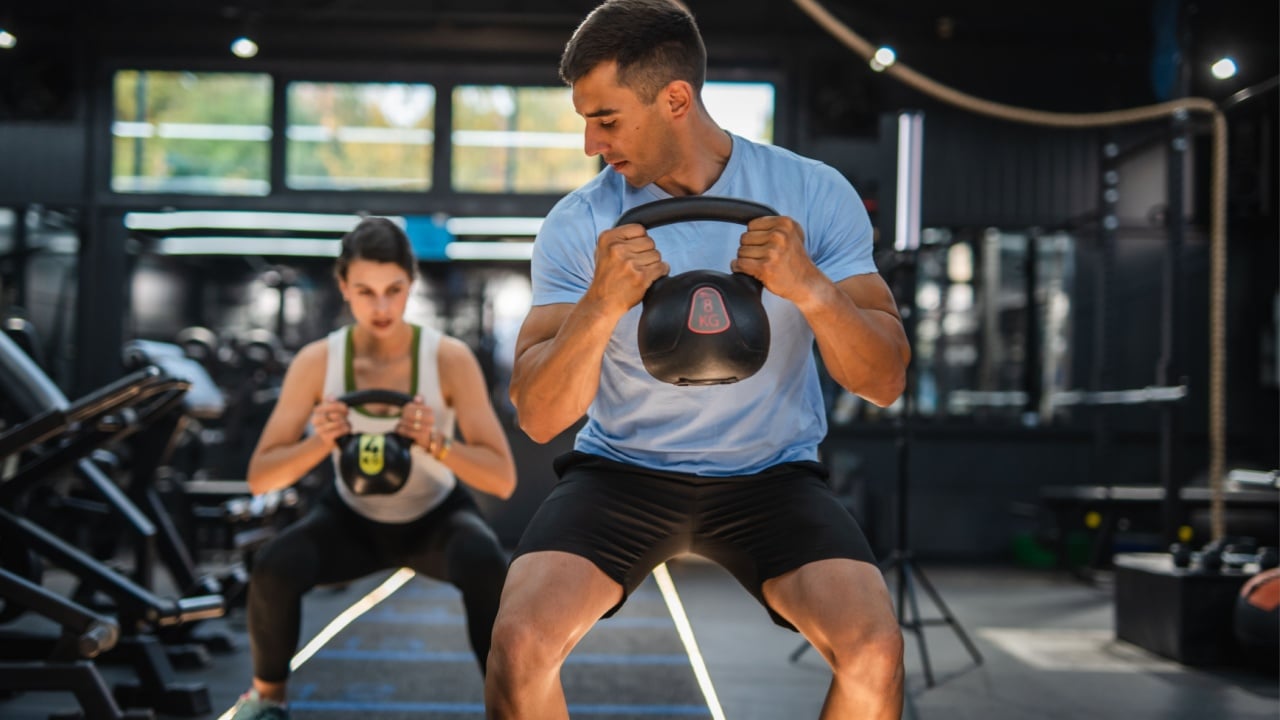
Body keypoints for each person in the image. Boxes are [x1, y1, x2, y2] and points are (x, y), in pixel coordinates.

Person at [483, 1, 910, 718]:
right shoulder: (581, 220)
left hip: (770, 476)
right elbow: (539, 414)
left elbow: (885, 379)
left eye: (607, 119)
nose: (591, 142)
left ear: (675, 98)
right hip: (623, 473)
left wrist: (809, 286)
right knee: (519, 645)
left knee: (873, 650)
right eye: (585, 119)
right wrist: (600, 302)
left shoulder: (812, 192)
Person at [229, 217, 517, 720]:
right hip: (350, 518)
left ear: (411, 284)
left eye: (393, 290)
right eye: (365, 291)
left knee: (485, 559)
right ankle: (266, 702)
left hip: (435, 518)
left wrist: (435, 442)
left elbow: (502, 478)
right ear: (343, 287)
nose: (381, 307)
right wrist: (320, 441)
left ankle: (508, 705)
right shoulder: (319, 361)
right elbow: (262, 477)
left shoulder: (448, 358)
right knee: (275, 566)